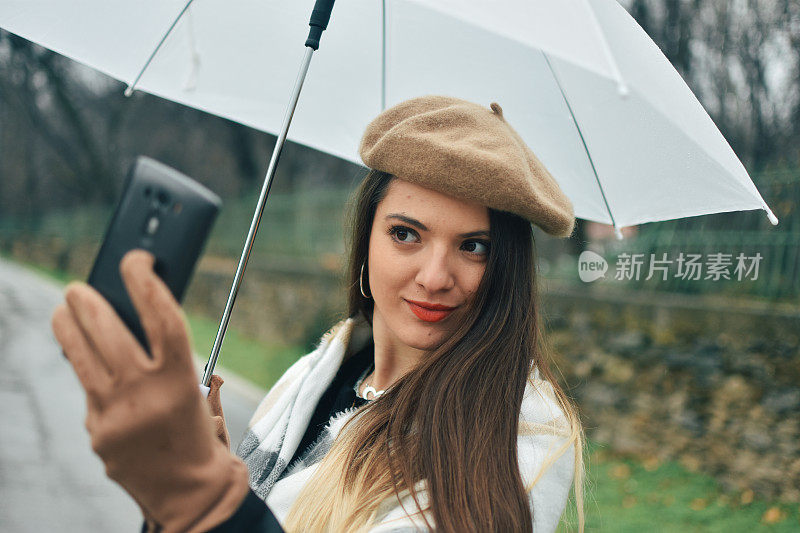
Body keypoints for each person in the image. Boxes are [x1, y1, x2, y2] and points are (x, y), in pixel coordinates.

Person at [52, 95, 585, 532]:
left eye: (475, 247)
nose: (434, 276)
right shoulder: (315, 372)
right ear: (366, 243)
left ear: (509, 271)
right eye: (406, 234)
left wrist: (206, 502)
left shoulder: (517, 437)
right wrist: (198, 481)